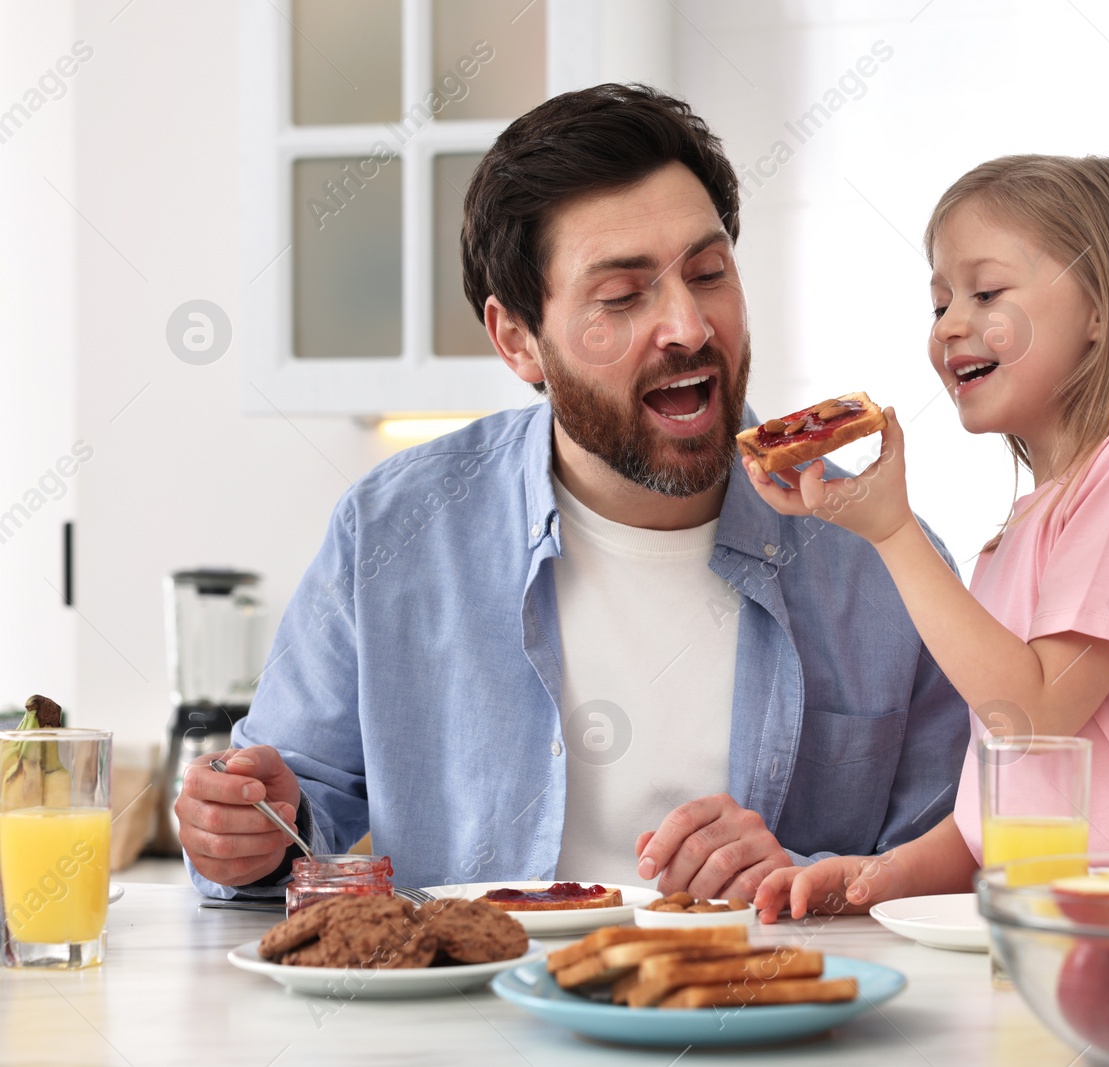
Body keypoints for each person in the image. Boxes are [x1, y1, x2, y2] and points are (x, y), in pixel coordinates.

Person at [176, 84, 968, 901]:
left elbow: (969, 873)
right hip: (471, 1024)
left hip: (756, 1016)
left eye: (708, 273)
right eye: (622, 298)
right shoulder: (392, 529)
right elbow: (290, 814)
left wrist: (807, 882)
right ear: (518, 340)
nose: (690, 327)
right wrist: (249, 832)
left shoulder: (885, 559)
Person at [747, 155, 1109, 920]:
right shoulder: (1004, 550)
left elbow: (1033, 713)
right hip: (1059, 929)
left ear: (1102, 308)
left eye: (986, 292)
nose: (951, 323)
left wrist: (892, 533)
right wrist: (878, 874)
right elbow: (1005, 813)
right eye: (938, 304)